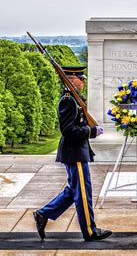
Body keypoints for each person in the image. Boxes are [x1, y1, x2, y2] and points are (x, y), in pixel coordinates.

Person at [33, 66, 112, 242]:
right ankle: (90, 231)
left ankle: (43, 214)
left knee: (73, 190)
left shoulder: (74, 99)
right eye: (80, 78)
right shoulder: (68, 100)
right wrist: (91, 131)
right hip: (74, 152)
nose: (83, 81)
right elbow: (68, 130)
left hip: (76, 151)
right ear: (71, 79)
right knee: (84, 192)